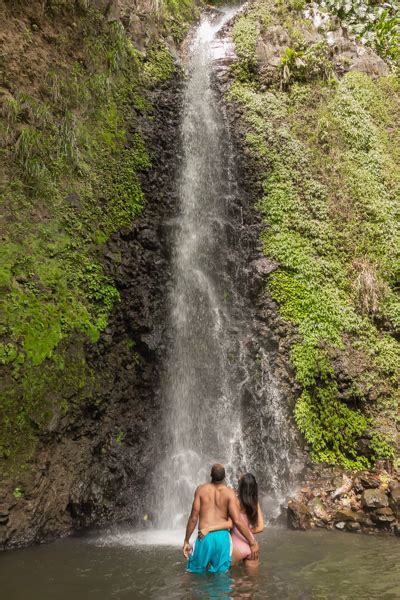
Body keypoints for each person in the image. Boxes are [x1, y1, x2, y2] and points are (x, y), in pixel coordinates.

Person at [183, 464, 259, 574]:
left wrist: (186, 540)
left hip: (204, 536)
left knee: (193, 573)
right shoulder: (229, 493)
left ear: (210, 475)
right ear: (224, 477)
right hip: (223, 539)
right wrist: (252, 542)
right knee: (221, 576)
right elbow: (237, 520)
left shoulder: (200, 490)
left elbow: (193, 517)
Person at [199, 473, 264, 569]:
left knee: (225, 578)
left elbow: (229, 524)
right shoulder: (255, 502)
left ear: (241, 487)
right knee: (252, 581)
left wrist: (209, 528)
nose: (237, 480)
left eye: (239, 481)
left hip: (236, 545)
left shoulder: (235, 502)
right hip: (252, 546)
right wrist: (248, 533)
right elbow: (260, 527)